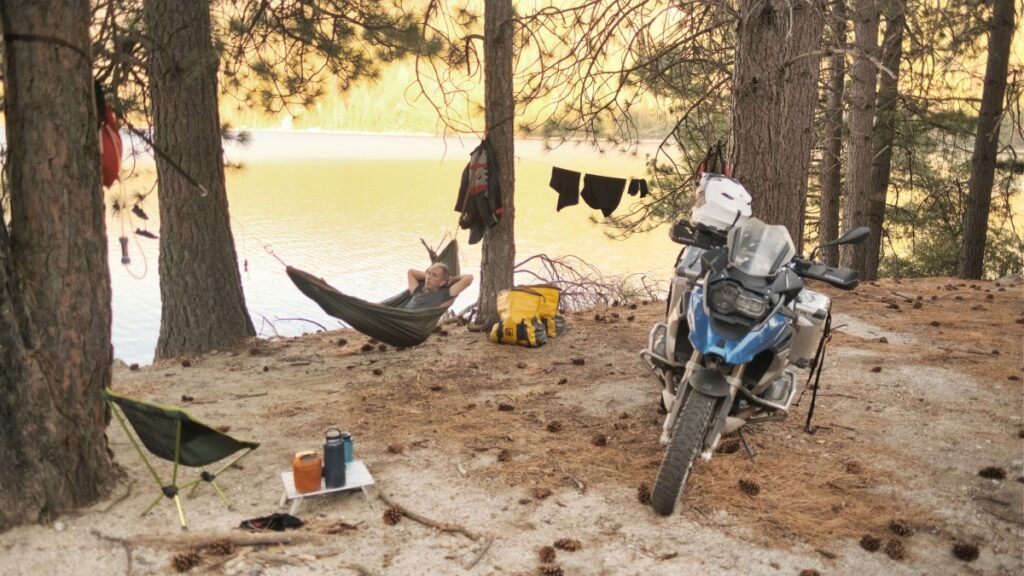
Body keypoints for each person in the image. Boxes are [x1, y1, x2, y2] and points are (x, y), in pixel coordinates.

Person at [405, 263, 473, 310]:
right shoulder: (417, 291)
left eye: (434, 275)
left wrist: (452, 279)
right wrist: (430, 276)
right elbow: (411, 272)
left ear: (442, 282)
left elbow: (469, 278)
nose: (429, 277)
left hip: (411, 322)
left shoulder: (443, 295)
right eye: (428, 273)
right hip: (399, 316)